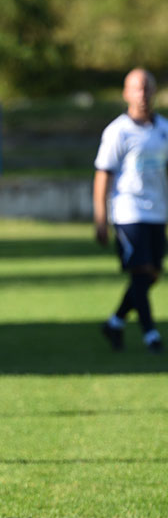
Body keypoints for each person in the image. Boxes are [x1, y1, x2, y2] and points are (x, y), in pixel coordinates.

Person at [94, 67, 167, 354]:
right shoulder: (117, 132)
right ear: (126, 93)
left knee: (151, 275)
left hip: (157, 211)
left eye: (147, 88)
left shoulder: (163, 129)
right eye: (137, 88)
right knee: (141, 269)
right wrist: (101, 217)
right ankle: (151, 335)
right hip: (128, 211)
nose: (143, 94)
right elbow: (103, 175)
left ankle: (114, 323)